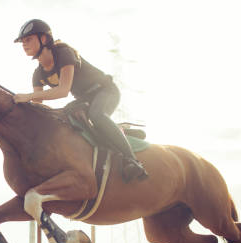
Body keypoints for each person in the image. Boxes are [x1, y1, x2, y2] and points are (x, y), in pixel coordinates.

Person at [13, 19, 148, 183]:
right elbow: (38, 105)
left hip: (106, 90)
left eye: (28, 40)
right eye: (22, 42)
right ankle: (120, 132)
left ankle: (133, 160)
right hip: (85, 99)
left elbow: (63, 91)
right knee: (69, 121)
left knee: (96, 115)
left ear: (43, 39)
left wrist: (27, 96)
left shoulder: (63, 52)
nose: (24, 45)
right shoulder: (38, 74)